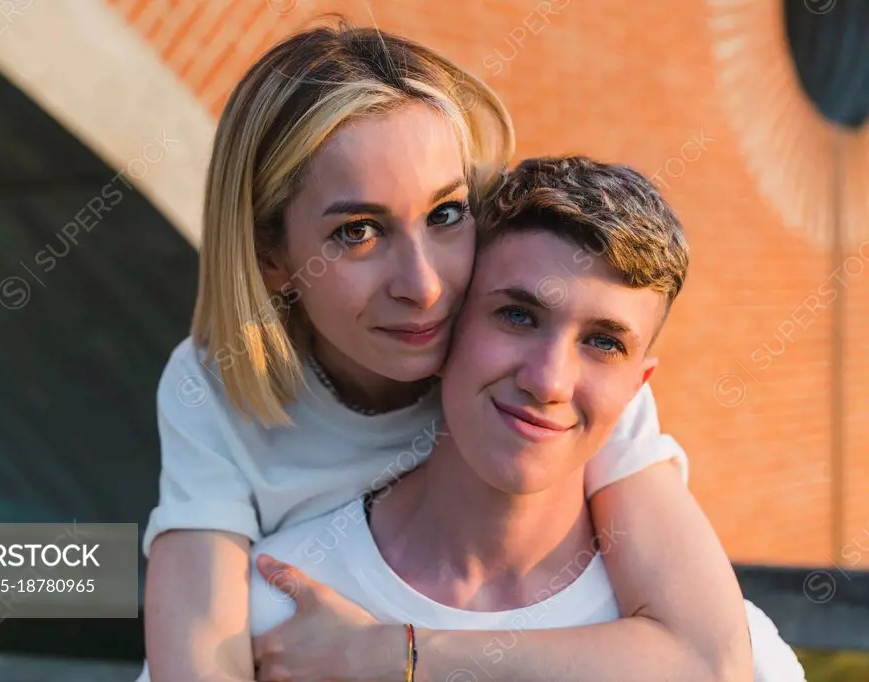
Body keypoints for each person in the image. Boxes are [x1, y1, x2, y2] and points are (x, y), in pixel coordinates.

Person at [141, 22, 752, 682]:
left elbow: (707, 660)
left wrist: (397, 655)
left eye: (445, 215)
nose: (425, 285)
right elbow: (199, 656)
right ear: (272, 259)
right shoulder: (217, 385)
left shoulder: (548, 363)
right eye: (358, 232)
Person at [249, 156, 806, 682]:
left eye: (604, 343)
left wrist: (404, 654)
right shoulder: (282, 608)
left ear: (637, 387)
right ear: (444, 330)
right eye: (517, 315)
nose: (548, 381)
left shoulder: (742, 656)